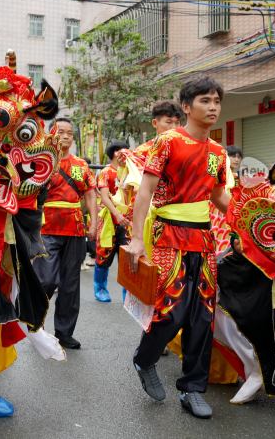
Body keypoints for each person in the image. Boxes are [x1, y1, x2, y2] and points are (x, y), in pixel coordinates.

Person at [124, 77, 230, 419]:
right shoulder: (167, 142)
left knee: (204, 315)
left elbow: (217, 196)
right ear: (187, 106)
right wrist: (138, 238)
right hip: (168, 232)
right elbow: (144, 192)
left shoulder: (218, 151)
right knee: (172, 309)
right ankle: (145, 359)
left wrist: (248, 221)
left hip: (203, 238)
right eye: (205, 101)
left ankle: (192, 389)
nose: (212, 106)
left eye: (216, 101)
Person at [34, 117, 97, 349]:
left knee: (70, 284)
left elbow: (91, 194)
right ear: (52, 133)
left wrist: (94, 224)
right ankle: (36, 323)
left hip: (75, 229)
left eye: (69, 132)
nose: (65, 136)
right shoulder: (42, 161)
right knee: (47, 279)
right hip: (47, 227)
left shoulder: (81, 165)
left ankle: (64, 332)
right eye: (60, 131)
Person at [93, 141, 130, 302]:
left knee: (128, 257)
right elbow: (104, 196)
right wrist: (117, 214)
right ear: (116, 153)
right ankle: (100, 289)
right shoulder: (106, 172)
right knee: (104, 255)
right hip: (109, 220)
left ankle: (128, 293)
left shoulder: (130, 172)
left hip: (128, 221)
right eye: (125, 150)